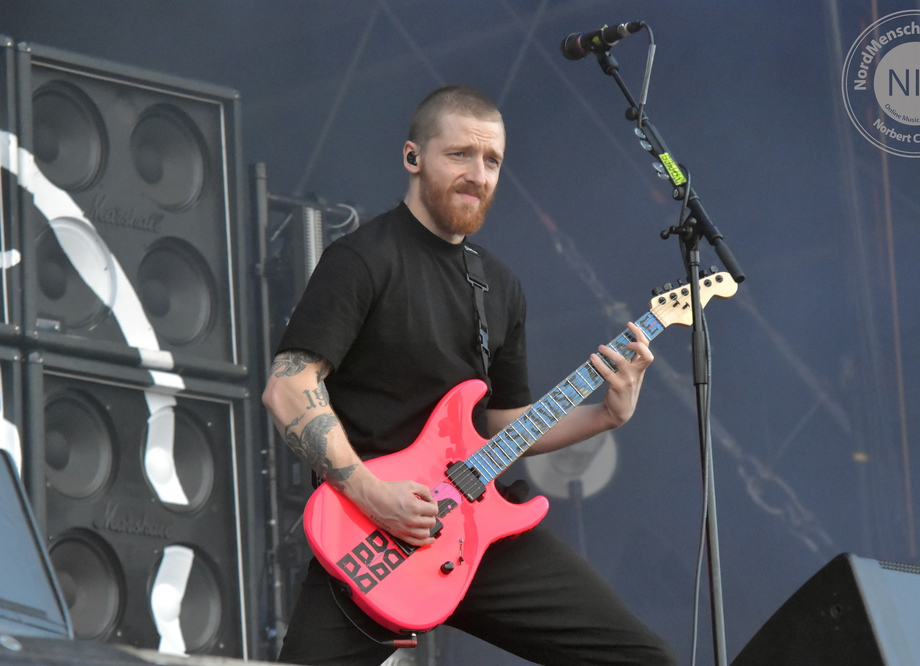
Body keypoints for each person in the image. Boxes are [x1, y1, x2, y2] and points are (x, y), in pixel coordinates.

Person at [262, 85, 677, 666]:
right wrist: (372, 494)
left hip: (478, 529)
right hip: (372, 536)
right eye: (460, 154)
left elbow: (502, 423)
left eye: (492, 161)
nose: (478, 175)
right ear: (413, 157)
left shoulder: (499, 287)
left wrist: (605, 415)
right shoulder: (361, 260)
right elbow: (288, 386)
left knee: (644, 659)